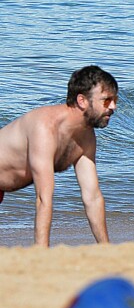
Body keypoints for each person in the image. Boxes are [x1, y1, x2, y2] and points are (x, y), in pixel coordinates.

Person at [0, 66, 118, 246]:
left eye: (115, 100)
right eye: (106, 100)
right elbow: (43, 199)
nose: (113, 107)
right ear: (82, 101)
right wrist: (42, 255)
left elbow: (92, 196)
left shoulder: (86, 136)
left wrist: (107, 249)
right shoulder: (45, 128)